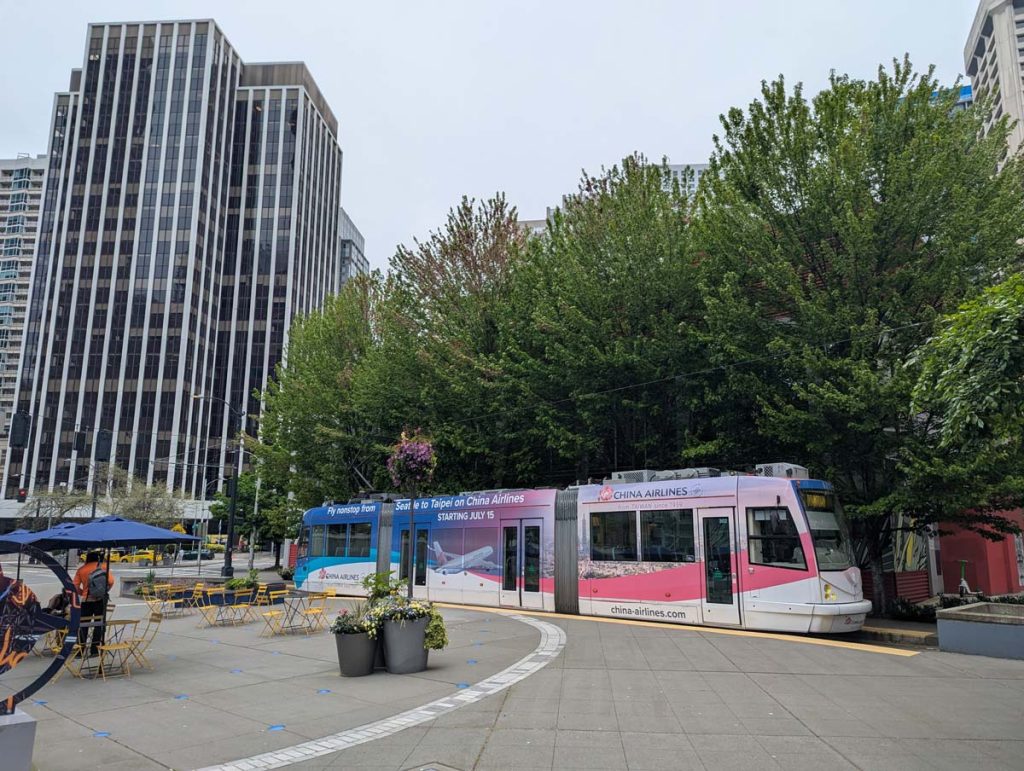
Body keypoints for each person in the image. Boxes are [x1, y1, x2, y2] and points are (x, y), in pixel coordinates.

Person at [74, 551, 114, 656]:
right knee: (98, 625)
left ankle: (80, 650)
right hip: (100, 600)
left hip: (86, 601)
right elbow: (111, 581)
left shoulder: (81, 570)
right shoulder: (103, 567)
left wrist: (83, 593)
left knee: (83, 625)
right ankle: (94, 650)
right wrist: (103, 591)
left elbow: (75, 586)